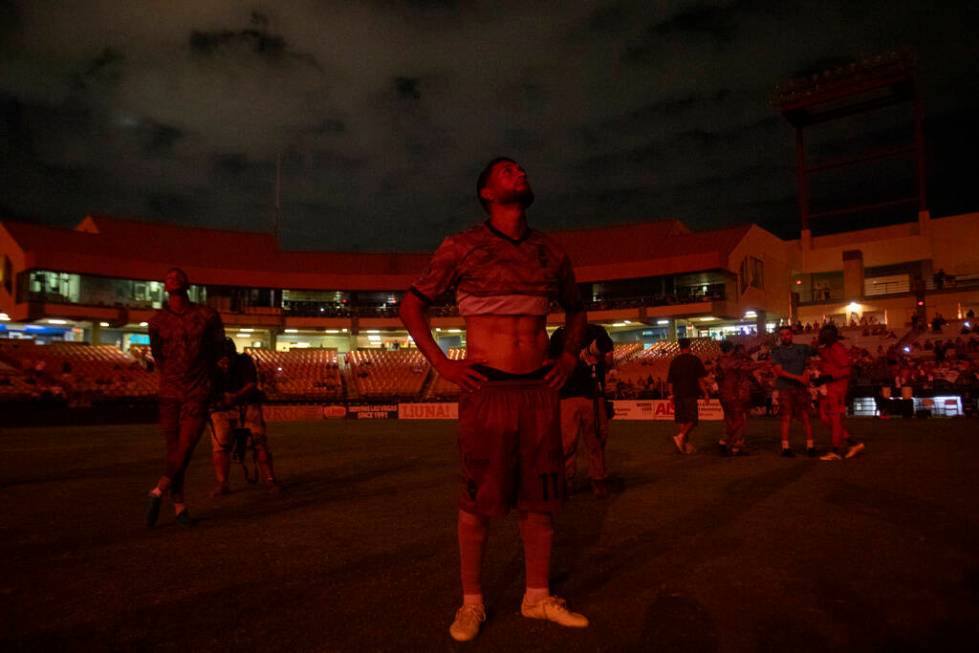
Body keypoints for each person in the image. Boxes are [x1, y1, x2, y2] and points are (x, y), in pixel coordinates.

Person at [399, 157, 589, 642]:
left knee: (540, 503)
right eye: (506, 171)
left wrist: (567, 356)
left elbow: (577, 311)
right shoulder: (462, 247)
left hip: (539, 390)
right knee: (477, 504)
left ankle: (537, 596)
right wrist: (442, 364)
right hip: (488, 389)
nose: (520, 172)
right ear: (486, 192)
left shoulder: (550, 250)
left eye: (522, 169)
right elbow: (411, 304)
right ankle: (472, 602)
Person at [146, 267, 225, 528]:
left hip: (197, 390)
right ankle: (180, 506)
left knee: (186, 447)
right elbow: (158, 355)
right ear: (165, 286)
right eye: (168, 277)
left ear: (187, 284)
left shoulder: (207, 316)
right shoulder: (156, 322)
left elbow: (219, 350)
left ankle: (159, 489)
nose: (174, 278)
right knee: (174, 451)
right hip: (170, 391)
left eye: (178, 276)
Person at [549, 323, 614, 498]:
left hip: (593, 394)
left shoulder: (597, 331)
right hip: (567, 394)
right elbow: (550, 362)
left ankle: (598, 478)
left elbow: (609, 359)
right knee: (566, 442)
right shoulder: (560, 334)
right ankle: (567, 480)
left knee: (597, 440)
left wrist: (597, 356)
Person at [208, 338, 279, 495]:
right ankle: (222, 483)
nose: (224, 362)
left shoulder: (243, 361)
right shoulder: (210, 366)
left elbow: (251, 384)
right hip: (222, 408)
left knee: (259, 442)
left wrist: (234, 396)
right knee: (220, 447)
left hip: (247, 405)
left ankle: (270, 480)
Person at [816, 324, 865, 461]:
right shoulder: (828, 348)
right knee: (825, 418)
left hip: (836, 389)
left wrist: (830, 377)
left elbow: (847, 370)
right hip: (829, 387)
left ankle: (836, 450)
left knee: (834, 419)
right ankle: (852, 443)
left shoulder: (837, 348)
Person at [770, 325, 816, 457]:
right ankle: (785, 447)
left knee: (805, 416)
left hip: (800, 388)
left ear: (792, 335)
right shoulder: (776, 351)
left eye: (787, 334)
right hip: (785, 388)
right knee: (786, 417)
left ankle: (810, 446)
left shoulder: (801, 348)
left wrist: (806, 373)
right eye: (782, 334)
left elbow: (816, 350)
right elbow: (779, 372)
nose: (785, 336)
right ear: (780, 337)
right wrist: (800, 378)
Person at [715, 341, 760, 456]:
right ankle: (726, 441)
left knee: (731, 420)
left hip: (724, 394)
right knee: (740, 420)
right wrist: (765, 363)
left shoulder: (721, 360)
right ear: (731, 350)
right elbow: (748, 367)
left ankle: (734, 445)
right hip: (733, 394)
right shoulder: (731, 361)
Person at [667, 338, 710, 454]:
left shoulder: (674, 361)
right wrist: (706, 393)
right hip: (690, 394)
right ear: (689, 346)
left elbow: (670, 382)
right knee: (692, 420)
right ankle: (680, 437)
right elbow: (700, 380)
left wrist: (671, 396)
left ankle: (685, 446)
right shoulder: (695, 360)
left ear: (679, 347)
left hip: (678, 395)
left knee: (682, 420)